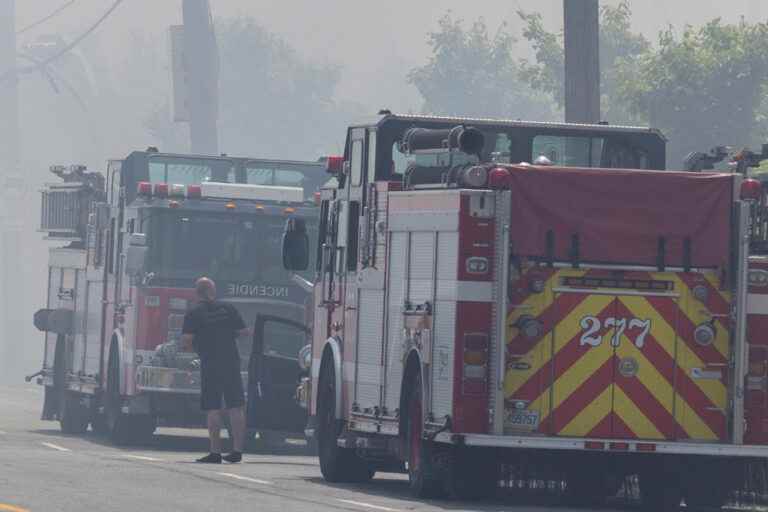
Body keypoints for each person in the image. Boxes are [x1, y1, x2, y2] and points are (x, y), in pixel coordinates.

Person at [181, 277, 249, 463]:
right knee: (236, 406)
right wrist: (228, 335)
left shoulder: (193, 313)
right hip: (231, 362)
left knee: (213, 408)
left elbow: (186, 341)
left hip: (210, 363)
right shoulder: (228, 308)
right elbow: (244, 332)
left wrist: (198, 348)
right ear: (213, 291)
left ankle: (215, 452)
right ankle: (237, 451)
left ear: (197, 293)